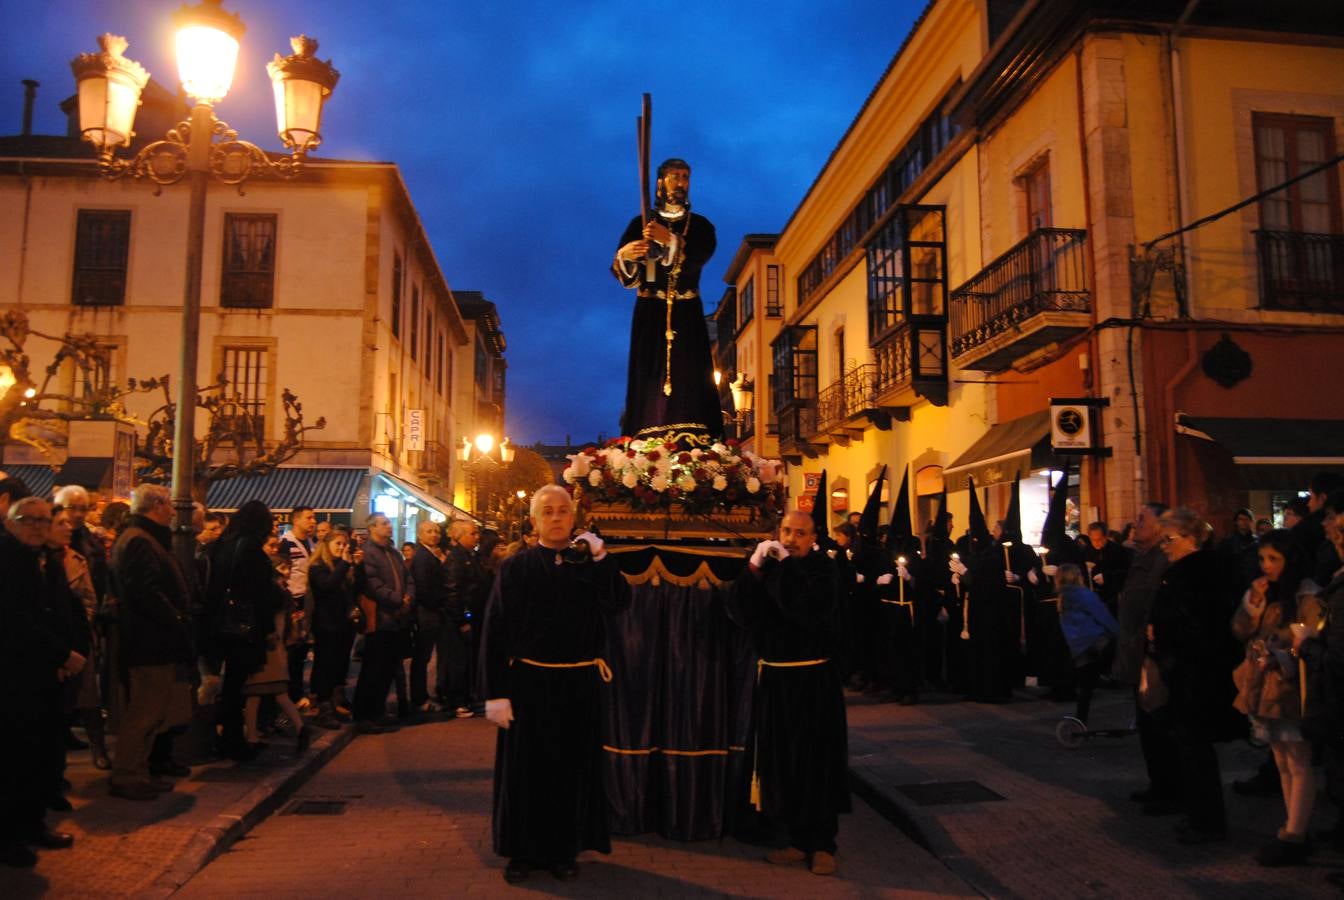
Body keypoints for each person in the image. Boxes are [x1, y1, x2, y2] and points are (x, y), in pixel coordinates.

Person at [479, 485, 630, 883]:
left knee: (571, 771)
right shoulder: (516, 568)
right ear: (535, 521)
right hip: (529, 683)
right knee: (524, 773)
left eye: (564, 510)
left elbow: (619, 603)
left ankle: (564, 851)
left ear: (574, 518)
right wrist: (495, 694)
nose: (557, 517)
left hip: (579, 683)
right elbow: (494, 631)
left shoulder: (590, 566)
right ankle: (522, 852)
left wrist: (602, 561)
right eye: (548, 511)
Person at [730, 510, 850, 877]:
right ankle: (796, 839)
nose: (791, 538)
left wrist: (783, 569)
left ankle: (823, 844)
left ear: (814, 538)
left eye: (800, 533)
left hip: (813, 681)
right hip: (776, 679)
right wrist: (752, 571)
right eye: (786, 531)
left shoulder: (823, 570)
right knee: (783, 762)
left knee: (816, 762)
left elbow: (805, 609)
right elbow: (738, 611)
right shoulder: (770, 566)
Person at [612, 157, 721, 439]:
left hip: (687, 315)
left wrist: (669, 240)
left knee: (690, 380)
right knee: (649, 379)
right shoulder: (640, 223)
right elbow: (628, 277)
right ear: (660, 183)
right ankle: (646, 437)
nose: (681, 183)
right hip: (651, 313)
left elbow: (699, 255)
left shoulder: (700, 226)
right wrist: (627, 255)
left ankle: (695, 440)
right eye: (674, 177)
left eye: (685, 177)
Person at [1231, 530, 1322, 866]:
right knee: (1281, 757)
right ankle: (1290, 826)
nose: (1266, 566)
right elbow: (1240, 629)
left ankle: (1296, 832)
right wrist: (1252, 604)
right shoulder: (1265, 591)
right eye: (1263, 558)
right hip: (1263, 686)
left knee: (1297, 758)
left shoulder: (1306, 595)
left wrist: (1281, 655)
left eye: (1274, 559)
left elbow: (1310, 641)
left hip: (1289, 688)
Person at [1145, 507, 1235, 843]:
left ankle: (1205, 821)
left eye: (1170, 539)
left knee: (1195, 747)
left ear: (1191, 539)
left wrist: (1162, 634)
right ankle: (1200, 815)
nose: (1165, 545)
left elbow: (1197, 623)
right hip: (1189, 670)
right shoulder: (1190, 571)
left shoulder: (1194, 574)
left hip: (1193, 673)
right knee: (1192, 747)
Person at [0, 497, 82, 866]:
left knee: (36, 754)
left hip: (39, 674)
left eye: (42, 520)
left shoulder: (44, 559)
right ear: (11, 522)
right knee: (14, 758)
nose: (36, 526)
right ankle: (10, 837)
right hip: (14, 675)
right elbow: (15, 619)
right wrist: (61, 654)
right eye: (27, 519)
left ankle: (31, 826)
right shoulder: (8, 558)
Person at [107, 485, 194, 800]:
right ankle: (128, 774)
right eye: (169, 505)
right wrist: (176, 619)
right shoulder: (140, 542)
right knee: (143, 712)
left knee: (153, 711)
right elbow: (146, 593)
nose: (173, 511)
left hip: (153, 640)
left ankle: (138, 771)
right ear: (156, 505)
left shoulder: (141, 539)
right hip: (149, 642)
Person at [207, 500, 290, 761]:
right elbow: (259, 594)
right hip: (244, 626)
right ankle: (232, 740)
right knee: (237, 684)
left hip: (223, 622)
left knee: (232, 682)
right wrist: (267, 629)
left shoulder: (225, 545)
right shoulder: (250, 549)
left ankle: (229, 736)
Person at [1112, 501, 1178, 811]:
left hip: (1152, 654)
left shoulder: (1162, 560)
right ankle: (1159, 783)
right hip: (1136, 651)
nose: (1135, 523)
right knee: (1147, 723)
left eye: (1142, 519)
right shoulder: (1142, 558)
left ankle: (1170, 788)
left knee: (1159, 722)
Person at [353, 512, 415, 733]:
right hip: (379, 619)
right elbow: (373, 585)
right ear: (372, 528)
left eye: (389, 523)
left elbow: (408, 578)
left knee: (387, 668)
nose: (389, 527)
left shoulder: (393, 552)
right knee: (374, 668)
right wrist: (398, 599)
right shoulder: (369, 553)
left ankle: (378, 711)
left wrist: (408, 597)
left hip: (396, 620)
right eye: (384, 523)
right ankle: (365, 713)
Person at [308, 527, 360, 725]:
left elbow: (352, 591)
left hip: (344, 625)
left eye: (344, 544)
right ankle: (323, 706)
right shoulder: (318, 567)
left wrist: (356, 567)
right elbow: (327, 586)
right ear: (326, 545)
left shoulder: (343, 566)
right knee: (325, 666)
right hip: (326, 624)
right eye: (337, 544)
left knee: (340, 665)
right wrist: (345, 565)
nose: (341, 548)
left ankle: (338, 701)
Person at [1056, 563, 1118, 725]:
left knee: (1085, 687)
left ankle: (1080, 720)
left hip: (1079, 648)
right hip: (1096, 642)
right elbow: (1102, 615)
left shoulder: (1062, 599)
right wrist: (1119, 634)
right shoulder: (1084, 594)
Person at [445, 519, 488, 716]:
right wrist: (461, 619)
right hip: (462, 619)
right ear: (460, 536)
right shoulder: (456, 558)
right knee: (459, 660)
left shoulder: (472, 555)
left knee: (470, 659)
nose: (476, 537)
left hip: (474, 616)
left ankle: (469, 697)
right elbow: (453, 591)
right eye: (472, 533)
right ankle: (458, 701)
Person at [409, 520, 450, 713]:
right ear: (420, 535)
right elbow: (424, 588)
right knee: (421, 658)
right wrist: (438, 603)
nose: (434, 534)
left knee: (424, 658)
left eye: (436, 531)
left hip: (431, 612)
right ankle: (419, 698)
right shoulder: (422, 557)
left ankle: (421, 696)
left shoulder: (431, 555)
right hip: (427, 613)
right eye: (429, 531)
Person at [278, 506, 317, 707]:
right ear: (296, 520)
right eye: (309, 518)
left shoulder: (311, 542)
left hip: (307, 601)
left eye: (314, 518)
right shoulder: (286, 543)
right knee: (293, 650)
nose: (313, 522)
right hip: (294, 601)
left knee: (302, 649)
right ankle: (292, 694)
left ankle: (297, 690)